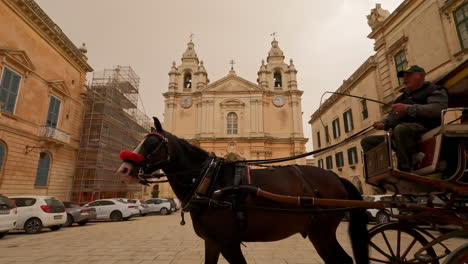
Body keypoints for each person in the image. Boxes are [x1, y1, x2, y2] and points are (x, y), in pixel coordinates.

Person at [361, 65, 448, 171]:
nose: (405, 79)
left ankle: (406, 168)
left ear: (421, 76)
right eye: (404, 76)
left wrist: (407, 108)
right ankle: (378, 171)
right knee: (367, 141)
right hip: (401, 134)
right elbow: (392, 116)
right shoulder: (401, 98)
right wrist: (383, 123)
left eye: (409, 75)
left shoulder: (434, 90)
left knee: (401, 129)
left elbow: (437, 109)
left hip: (424, 128)